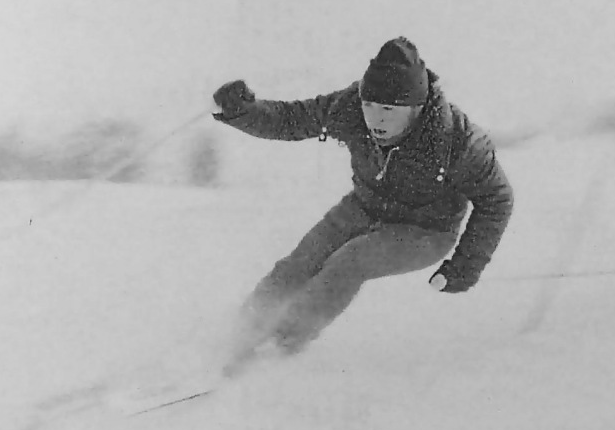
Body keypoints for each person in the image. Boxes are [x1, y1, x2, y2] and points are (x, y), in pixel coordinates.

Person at [212, 36, 514, 368]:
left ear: (417, 107)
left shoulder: (457, 140)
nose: (375, 119)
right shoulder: (350, 108)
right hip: (364, 206)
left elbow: (496, 199)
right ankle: (243, 330)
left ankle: (284, 339)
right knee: (301, 260)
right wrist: (242, 112)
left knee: (350, 261)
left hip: (426, 229)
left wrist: (464, 267)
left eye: (388, 110)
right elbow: (292, 119)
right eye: (370, 106)